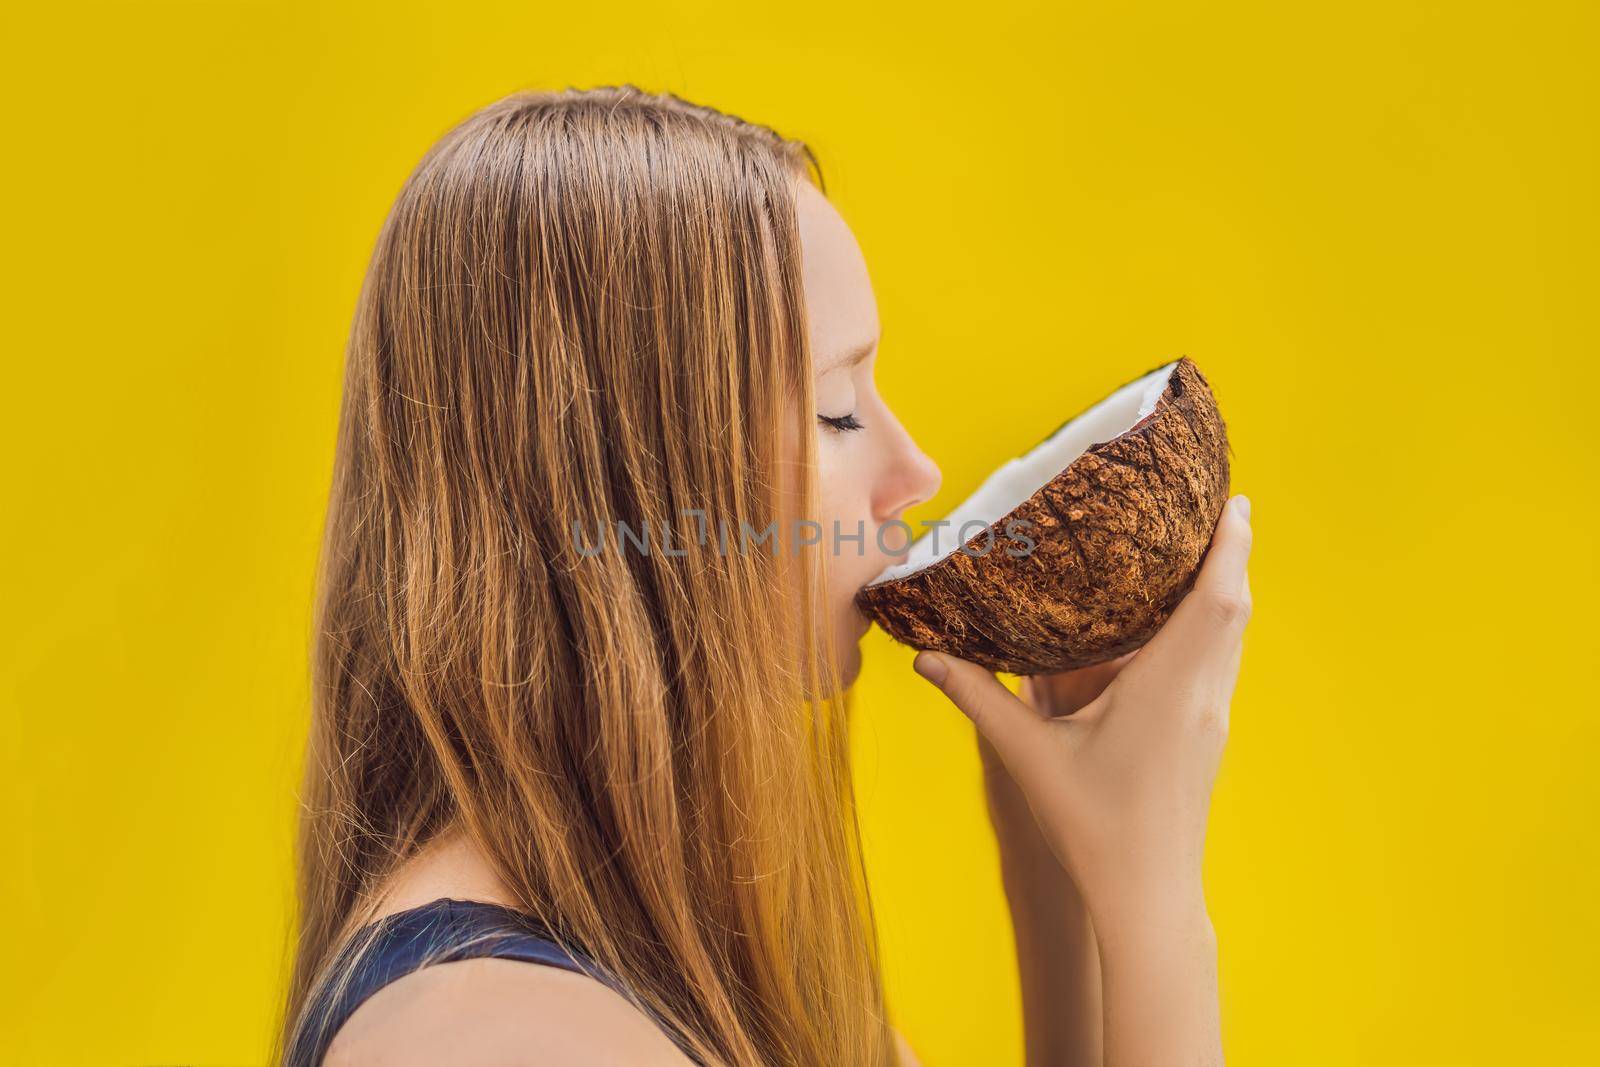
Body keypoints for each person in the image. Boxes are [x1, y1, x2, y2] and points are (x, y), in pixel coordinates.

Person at [276, 84, 1253, 1067]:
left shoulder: (662, 971)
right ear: (627, 477)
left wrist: (1060, 884)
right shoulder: (499, 1042)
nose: (914, 472)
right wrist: (1155, 905)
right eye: (835, 409)